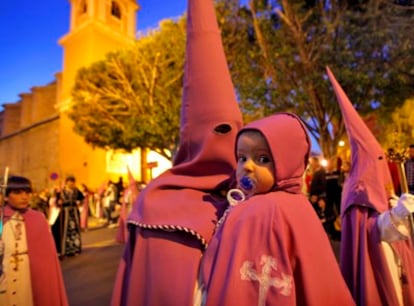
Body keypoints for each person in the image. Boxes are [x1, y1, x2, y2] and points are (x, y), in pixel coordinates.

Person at [111, 0, 243, 305]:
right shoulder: (155, 204)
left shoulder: (255, 197)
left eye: (233, 130)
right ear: (192, 135)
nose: (226, 141)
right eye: (217, 129)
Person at [198, 113, 355, 305]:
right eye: (242, 158)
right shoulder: (299, 204)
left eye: (263, 159)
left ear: (287, 161)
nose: (247, 166)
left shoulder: (258, 211)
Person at [327, 67, 414, 305]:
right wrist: (396, 215)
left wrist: (396, 207)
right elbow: (372, 232)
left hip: (395, 261)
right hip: (379, 265)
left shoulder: (375, 187)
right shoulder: (358, 191)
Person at [0, 175, 68, 306]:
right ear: (6, 196)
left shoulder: (38, 219)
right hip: (4, 276)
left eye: (27, 192)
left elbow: (46, 260)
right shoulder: (2, 219)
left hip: (28, 277)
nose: (24, 196)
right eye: (17, 192)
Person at [51, 175, 84, 258]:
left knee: (74, 231)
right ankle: (63, 250)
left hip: (74, 213)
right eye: (70, 183)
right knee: (60, 230)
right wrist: (59, 203)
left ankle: (74, 249)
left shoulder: (76, 191)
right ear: (66, 183)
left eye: (73, 183)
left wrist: (79, 204)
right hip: (65, 213)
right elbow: (56, 203)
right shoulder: (61, 192)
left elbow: (82, 199)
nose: (71, 184)